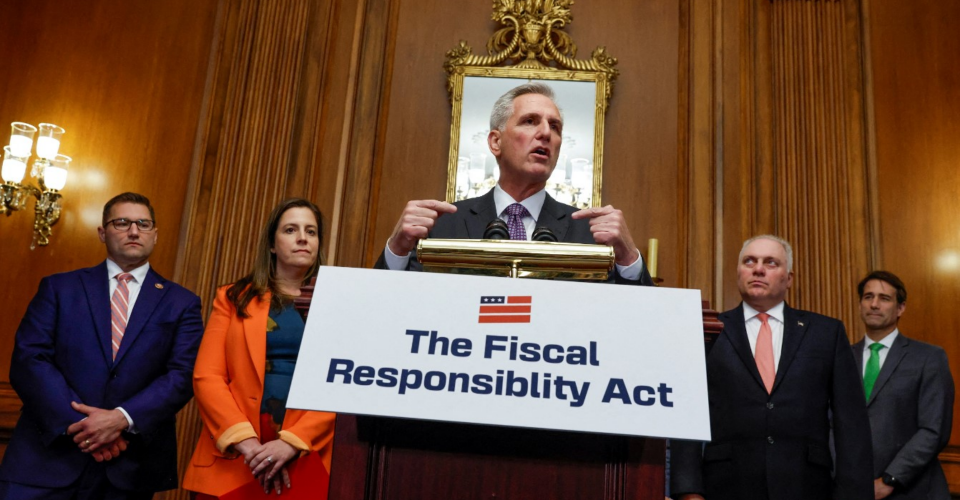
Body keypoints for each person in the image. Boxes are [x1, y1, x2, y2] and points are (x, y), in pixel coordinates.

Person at [0, 192, 203, 500]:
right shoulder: (59, 287)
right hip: (45, 461)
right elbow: (30, 359)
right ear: (102, 232)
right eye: (121, 222)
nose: (133, 231)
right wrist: (85, 426)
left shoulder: (182, 303)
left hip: (127, 468)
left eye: (143, 224)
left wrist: (121, 418)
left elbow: (183, 374)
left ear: (155, 234)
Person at [374, 82, 653, 285]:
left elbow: (641, 325)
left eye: (554, 127)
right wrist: (397, 248)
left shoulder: (590, 234)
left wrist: (628, 257)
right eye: (530, 121)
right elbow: (381, 308)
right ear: (496, 141)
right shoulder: (444, 225)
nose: (545, 133)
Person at [670, 235, 874, 500]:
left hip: (806, 485)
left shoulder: (826, 333)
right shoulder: (709, 331)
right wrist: (688, 491)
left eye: (771, 262)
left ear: (789, 278)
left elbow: (851, 423)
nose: (758, 268)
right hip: (725, 485)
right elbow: (686, 415)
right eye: (749, 261)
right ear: (739, 272)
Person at [183, 198, 335, 498]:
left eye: (311, 231)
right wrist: (248, 444)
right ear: (272, 245)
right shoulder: (232, 297)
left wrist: (293, 442)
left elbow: (341, 386)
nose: (303, 237)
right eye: (291, 229)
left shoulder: (338, 305)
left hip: (306, 457)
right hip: (236, 459)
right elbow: (207, 377)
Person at [852, 270, 954, 499]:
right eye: (868, 297)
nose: (874, 304)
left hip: (912, 489)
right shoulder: (841, 358)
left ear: (900, 308)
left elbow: (933, 429)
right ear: (860, 305)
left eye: (884, 298)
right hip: (852, 489)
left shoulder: (929, 357)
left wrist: (890, 479)